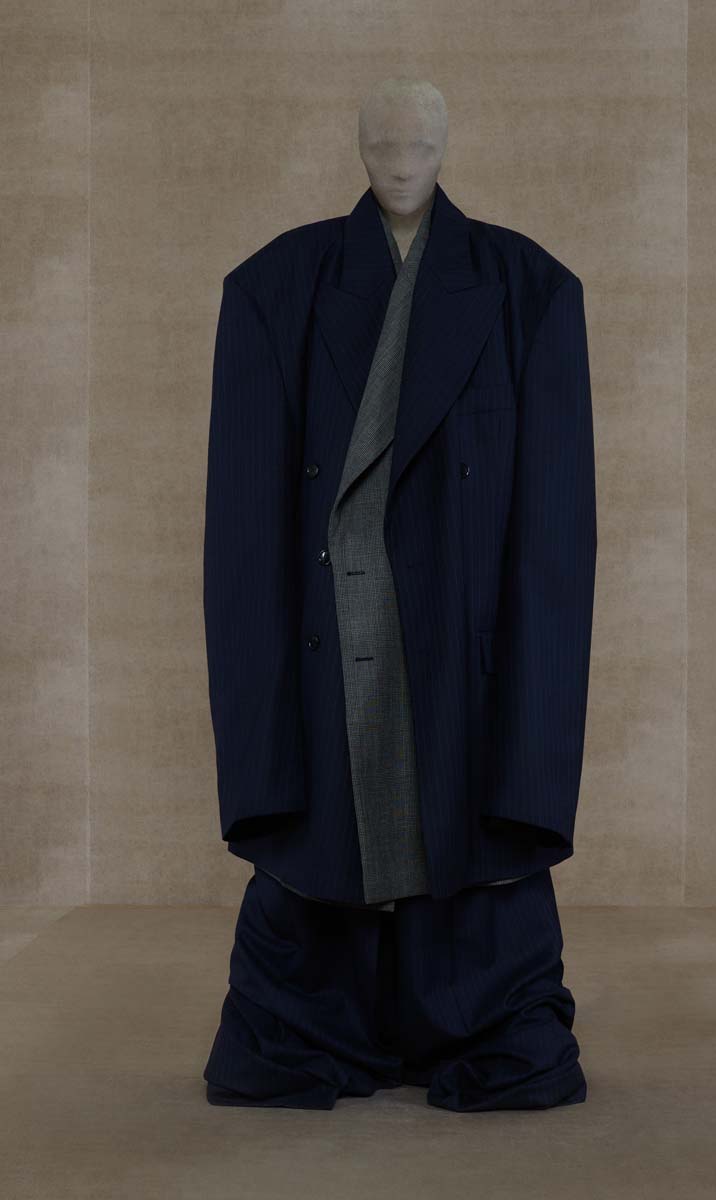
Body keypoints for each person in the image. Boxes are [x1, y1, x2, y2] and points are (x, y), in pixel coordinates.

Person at [202, 77, 597, 1111]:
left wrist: (534, 757)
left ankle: (465, 1010)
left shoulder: (531, 290)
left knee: (463, 852)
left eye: (419, 141)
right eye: (382, 141)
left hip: (463, 659)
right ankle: (326, 1016)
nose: (400, 159)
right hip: (330, 645)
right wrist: (257, 759)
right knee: (329, 845)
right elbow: (240, 551)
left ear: (448, 146)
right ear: (356, 147)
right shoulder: (274, 289)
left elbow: (556, 556)